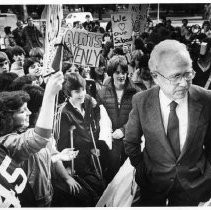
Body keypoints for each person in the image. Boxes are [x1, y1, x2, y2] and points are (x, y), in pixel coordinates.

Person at [124, 39, 211, 206]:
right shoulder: (141, 101)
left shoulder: (206, 99)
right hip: (153, 184)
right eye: (176, 76)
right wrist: (143, 170)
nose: (184, 83)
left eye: (188, 74)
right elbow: (131, 142)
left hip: (192, 186)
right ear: (156, 77)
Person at [0, 71, 64, 206]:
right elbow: (39, 138)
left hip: (45, 193)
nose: (29, 112)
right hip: (34, 201)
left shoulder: (21, 133)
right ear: (7, 117)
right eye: (23, 111)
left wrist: (59, 157)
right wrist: (50, 95)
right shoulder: (6, 141)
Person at [56, 72, 104, 206]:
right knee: (86, 194)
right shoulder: (64, 113)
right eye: (77, 91)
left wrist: (94, 145)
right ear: (68, 93)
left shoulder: (88, 100)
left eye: (83, 89)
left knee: (100, 185)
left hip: (89, 152)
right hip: (74, 158)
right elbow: (61, 143)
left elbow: (94, 123)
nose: (82, 94)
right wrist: (66, 168)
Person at [97, 55, 140, 184]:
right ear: (111, 74)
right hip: (109, 142)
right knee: (111, 176)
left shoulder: (136, 92)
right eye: (117, 72)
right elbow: (98, 118)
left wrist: (124, 130)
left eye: (124, 72)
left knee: (127, 178)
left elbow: (138, 117)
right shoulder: (101, 93)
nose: (121, 76)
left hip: (129, 141)